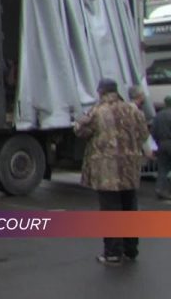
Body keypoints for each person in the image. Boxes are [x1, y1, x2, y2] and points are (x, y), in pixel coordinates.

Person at [73, 78, 149, 266]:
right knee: (129, 209)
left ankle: (113, 253)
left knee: (111, 212)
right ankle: (131, 250)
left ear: (101, 92)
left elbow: (80, 131)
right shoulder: (133, 110)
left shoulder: (98, 111)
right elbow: (144, 134)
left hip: (108, 173)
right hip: (130, 170)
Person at [151, 95, 171, 200]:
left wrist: (156, 145)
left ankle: (160, 189)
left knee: (162, 169)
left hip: (161, 144)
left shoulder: (158, 116)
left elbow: (153, 132)